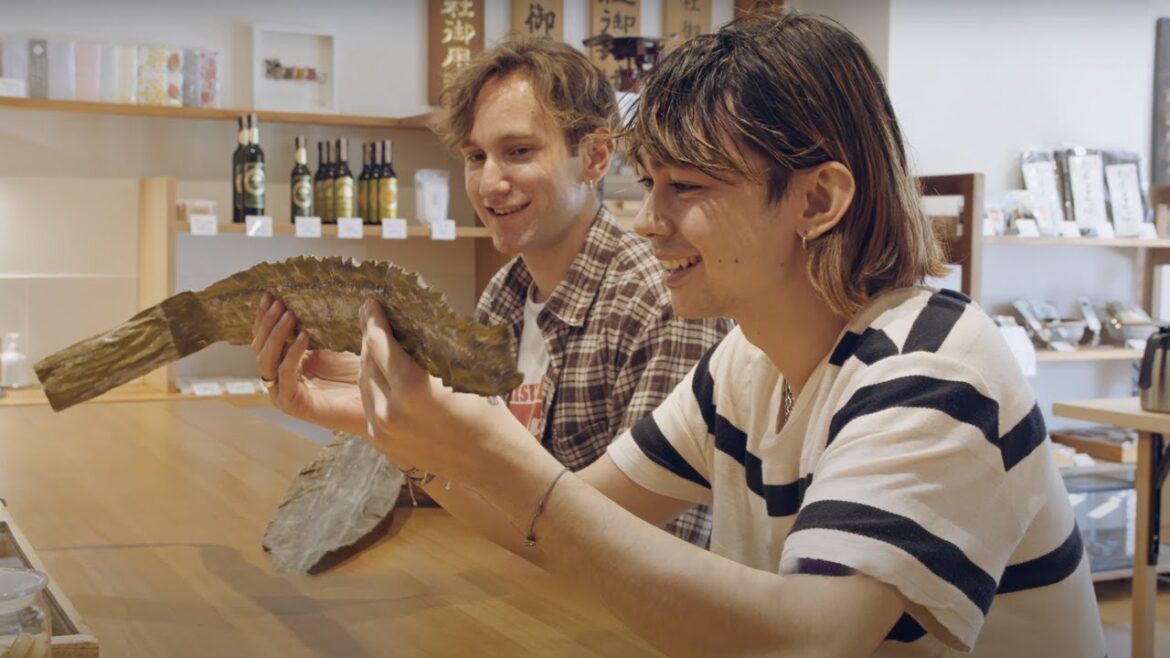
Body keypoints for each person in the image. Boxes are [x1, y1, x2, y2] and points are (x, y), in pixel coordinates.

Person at [352, 9, 1106, 658]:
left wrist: (488, 454)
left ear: (818, 199)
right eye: (651, 185)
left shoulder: (935, 367)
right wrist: (397, 428)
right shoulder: (745, 362)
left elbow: (810, 638)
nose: (649, 221)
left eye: (688, 187)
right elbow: (571, 519)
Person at [252, 38, 729, 546]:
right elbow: (473, 477)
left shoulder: (663, 301)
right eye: (476, 156)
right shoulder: (505, 293)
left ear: (594, 157)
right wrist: (363, 392)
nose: (489, 184)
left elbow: (652, 544)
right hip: (519, 589)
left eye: (519, 152)